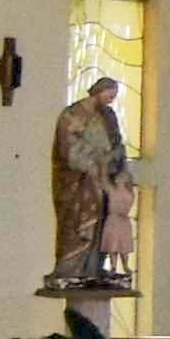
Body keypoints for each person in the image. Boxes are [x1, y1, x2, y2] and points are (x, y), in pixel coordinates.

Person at [46, 75, 135, 291]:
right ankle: (72, 268)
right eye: (108, 95)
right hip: (80, 183)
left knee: (105, 220)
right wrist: (94, 162)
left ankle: (95, 265)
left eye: (114, 97)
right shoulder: (73, 114)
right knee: (80, 224)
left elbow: (117, 143)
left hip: (104, 180)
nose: (110, 101)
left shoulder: (109, 116)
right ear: (98, 91)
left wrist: (116, 161)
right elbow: (68, 149)